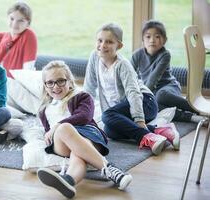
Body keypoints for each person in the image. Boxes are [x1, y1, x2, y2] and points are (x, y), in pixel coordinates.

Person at [36, 61, 132, 199]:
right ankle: (111, 170)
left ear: (69, 81)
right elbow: (48, 131)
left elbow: (84, 117)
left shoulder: (82, 97)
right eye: (50, 83)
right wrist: (49, 133)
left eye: (60, 81)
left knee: (77, 153)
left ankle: (68, 180)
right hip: (61, 143)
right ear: (45, 86)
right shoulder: (44, 110)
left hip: (87, 134)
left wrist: (58, 125)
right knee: (64, 130)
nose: (55, 86)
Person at [83, 23, 180, 156]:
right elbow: (89, 87)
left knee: (107, 116)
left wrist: (139, 120)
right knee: (110, 131)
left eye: (109, 42)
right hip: (125, 108)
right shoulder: (94, 57)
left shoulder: (122, 65)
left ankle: (147, 137)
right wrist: (84, 114)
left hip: (145, 102)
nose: (103, 45)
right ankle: (161, 130)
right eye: (100, 40)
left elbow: (133, 93)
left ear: (119, 46)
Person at [131, 20, 204, 123]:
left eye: (157, 37)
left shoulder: (165, 55)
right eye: (148, 37)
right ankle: (189, 117)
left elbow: (154, 78)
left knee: (161, 96)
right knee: (152, 106)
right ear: (142, 40)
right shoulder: (136, 55)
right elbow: (130, 77)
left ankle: (197, 109)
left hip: (168, 88)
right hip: (151, 91)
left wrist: (145, 95)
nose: (152, 40)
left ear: (164, 40)